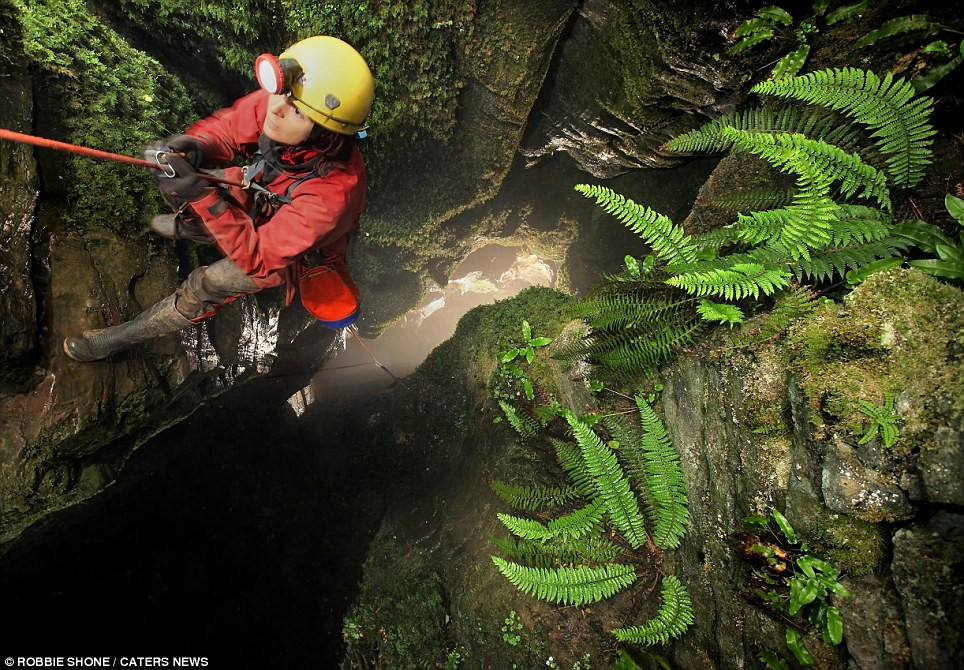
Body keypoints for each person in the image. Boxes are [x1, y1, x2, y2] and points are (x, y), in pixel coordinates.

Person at [63, 35, 373, 362]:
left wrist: (201, 195)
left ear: (325, 134)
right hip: (266, 190)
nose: (277, 109)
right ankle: (194, 226)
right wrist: (198, 145)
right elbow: (230, 128)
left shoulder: (334, 194)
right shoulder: (283, 102)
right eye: (280, 94)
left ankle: (116, 339)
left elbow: (258, 256)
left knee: (208, 283)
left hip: (285, 252)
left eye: (296, 111)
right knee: (209, 184)